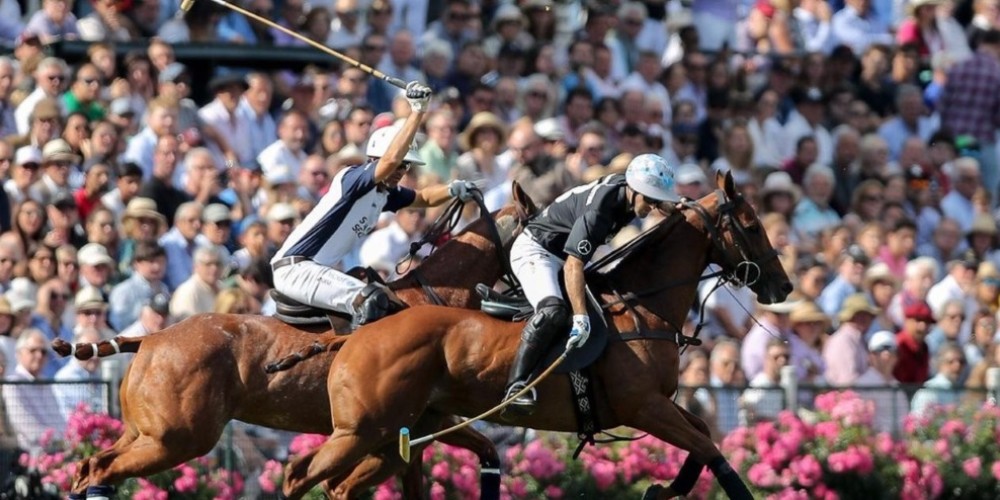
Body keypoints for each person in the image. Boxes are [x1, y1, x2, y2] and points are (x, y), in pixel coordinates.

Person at [270, 82, 476, 328]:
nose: (402, 171)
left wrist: (453, 189)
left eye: (406, 166)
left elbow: (424, 198)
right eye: (401, 164)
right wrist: (417, 111)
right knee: (373, 301)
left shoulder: (384, 193)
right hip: (297, 268)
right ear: (375, 158)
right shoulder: (354, 178)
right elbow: (390, 161)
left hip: (317, 271)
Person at [503, 153, 679, 413]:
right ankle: (516, 387)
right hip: (537, 251)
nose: (652, 205)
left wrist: (674, 205)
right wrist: (580, 317)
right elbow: (575, 264)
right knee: (554, 311)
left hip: (563, 257)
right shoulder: (602, 210)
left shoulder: (630, 191)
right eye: (649, 198)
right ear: (633, 189)